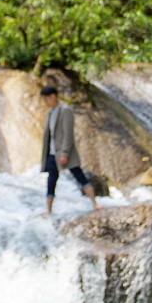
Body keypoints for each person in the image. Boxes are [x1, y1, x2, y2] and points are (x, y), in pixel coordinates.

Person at [40, 86, 100, 216]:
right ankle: (48, 210)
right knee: (51, 181)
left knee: (79, 175)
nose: (45, 102)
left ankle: (95, 204)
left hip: (63, 152)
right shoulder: (49, 113)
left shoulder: (65, 111)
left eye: (46, 98)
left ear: (53, 96)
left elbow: (68, 134)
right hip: (52, 153)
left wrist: (65, 152)